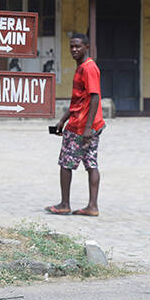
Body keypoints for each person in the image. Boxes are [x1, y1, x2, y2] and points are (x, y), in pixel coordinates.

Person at [45, 33, 105, 217]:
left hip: (82, 127)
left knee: (66, 164)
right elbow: (78, 101)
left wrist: (87, 127)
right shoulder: (82, 68)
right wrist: (62, 121)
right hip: (88, 124)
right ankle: (92, 207)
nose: (74, 50)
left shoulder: (88, 68)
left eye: (78, 46)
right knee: (91, 164)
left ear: (86, 47)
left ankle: (64, 204)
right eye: (71, 46)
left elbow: (95, 96)